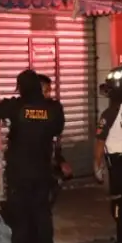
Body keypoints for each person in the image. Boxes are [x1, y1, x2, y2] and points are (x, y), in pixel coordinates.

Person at [0, 69, 65, 243]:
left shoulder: (16, 106)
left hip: (19, 172)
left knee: (20, 218)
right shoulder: (53, 108)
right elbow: (56, 129)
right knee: (43, 216)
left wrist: (6, 120)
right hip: (42, 171)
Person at [92, 66, 122, 243]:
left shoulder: (109, 113)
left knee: (118, 203)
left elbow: (100, 141)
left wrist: (97, 164)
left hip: (117, 163)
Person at [36, 75, 73, 208]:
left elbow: (56, 137)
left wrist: (60, 160)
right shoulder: (24, 108)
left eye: (49, 90)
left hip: (48, 162)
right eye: (45, 91)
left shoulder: (54, 107)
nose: (48, 94)